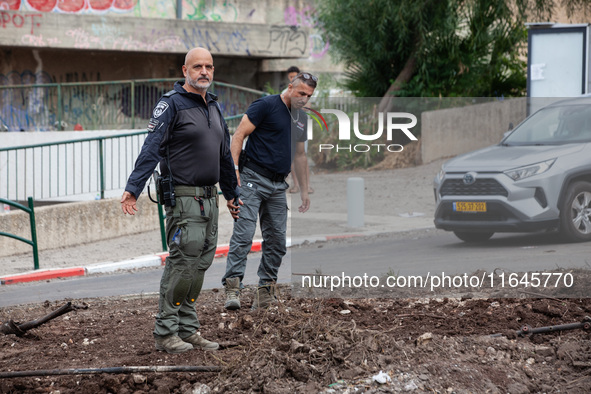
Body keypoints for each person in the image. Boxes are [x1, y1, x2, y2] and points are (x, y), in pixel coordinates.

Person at [120, 47, 239, 354]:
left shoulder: (212, 106)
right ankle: (165, 332)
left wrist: (232, 195)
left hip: (210, 198)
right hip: (184, 199)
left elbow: (224, 155)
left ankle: (187, 330)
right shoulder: (170, 105)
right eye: (197, 66)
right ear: (184, 70)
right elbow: (152, 148)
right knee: (182, 265)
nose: (204, 71)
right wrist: (133, 187)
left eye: (209, 66)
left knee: (199, 266)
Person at [222, 72, 317, 310]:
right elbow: (239, 135)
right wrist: (234, 171)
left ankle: (265, 292)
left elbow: (300, 155)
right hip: (252, 178)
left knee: (277, 241)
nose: (304, 99)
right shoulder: (266, 105)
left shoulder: (301, 118)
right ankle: (233, 289)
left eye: (309, 95)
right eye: (301, 93)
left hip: (278, 186)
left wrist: (304, 190)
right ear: (290, 87)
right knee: (243, 236)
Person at [283, 66, 314, 195]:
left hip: (301, 128)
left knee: (301, 156)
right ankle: (295, 185)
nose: (292, 78)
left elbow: (307, 107)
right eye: (290, 77)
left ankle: (306, 185)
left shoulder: (304, 90)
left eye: (294, 76)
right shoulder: (286, 91)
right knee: (291, 158)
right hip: (289, 128)